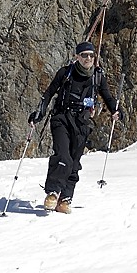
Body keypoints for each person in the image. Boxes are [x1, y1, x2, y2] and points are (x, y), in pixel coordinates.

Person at [28, 41, 119, 213]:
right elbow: (49, 93)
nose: (88, 58)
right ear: (77, 56)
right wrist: (38, 114)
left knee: (74, 162)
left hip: (82, 123)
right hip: (61, 118)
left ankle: (65, 199)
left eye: (91, 55)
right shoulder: (66, 73)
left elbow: (107, 95)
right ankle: (53, 193)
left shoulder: (97, 76)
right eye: (84, 55)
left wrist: (115, 109)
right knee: (64, 156)